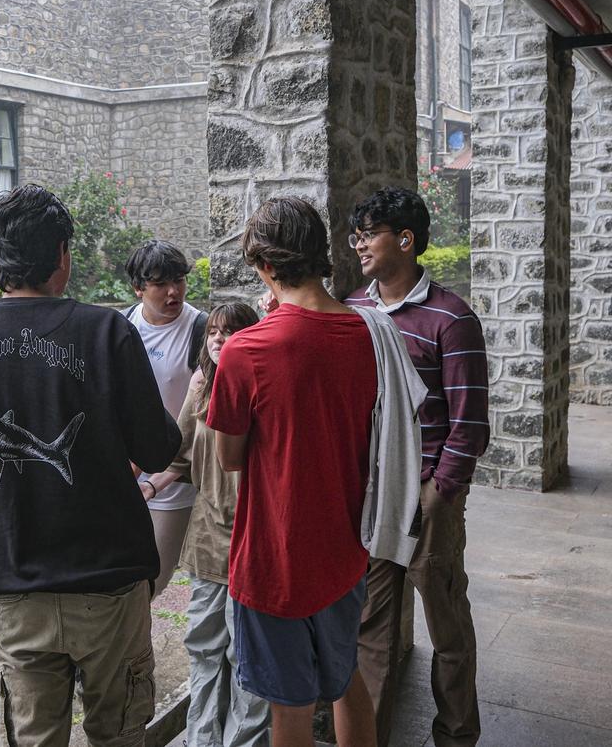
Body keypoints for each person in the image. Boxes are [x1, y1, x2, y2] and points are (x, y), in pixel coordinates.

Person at [0, 184, 181, 747]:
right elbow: (159, 449)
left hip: (13, 584)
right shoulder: (109, 331)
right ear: (62, 253)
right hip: (108, 585)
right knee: (121, 735)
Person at [207, 197, 378, 747]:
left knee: (291, 710)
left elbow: (230, 457)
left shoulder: (246, 350)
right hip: (347, 548)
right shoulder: (371, 334)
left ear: (265, 265)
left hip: (275, 558)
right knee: (347, 678)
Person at [346, 187, 488, 747]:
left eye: (369, 234)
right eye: (356, 235)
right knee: (371, 634)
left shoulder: (451, 318)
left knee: (447, 628)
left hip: (430, 498)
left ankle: (455, 737)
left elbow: (469, 421)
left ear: (405, 241)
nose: (359, 245)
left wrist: (438, 494)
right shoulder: (355, 310)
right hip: (376, 501)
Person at [165, 302, 271, 747]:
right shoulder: (201, 384)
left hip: (257, 537)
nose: (218, 339)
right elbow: (180, 453)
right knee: (205, 646)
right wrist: (146, 486)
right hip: (209, 535)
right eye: (212, 331)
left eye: (229, 331)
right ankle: (202, 740)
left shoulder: (266, 384)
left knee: (250, 654)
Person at [122, 240, 206, 597]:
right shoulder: (122, 325)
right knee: (120, 575)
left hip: (174, 477)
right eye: (160, 283)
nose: (174, 292)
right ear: (139, 288)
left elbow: (204, 418)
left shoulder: (200, 329)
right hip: (124, 475)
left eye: (179, 280)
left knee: (153, 581)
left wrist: (162, 478)